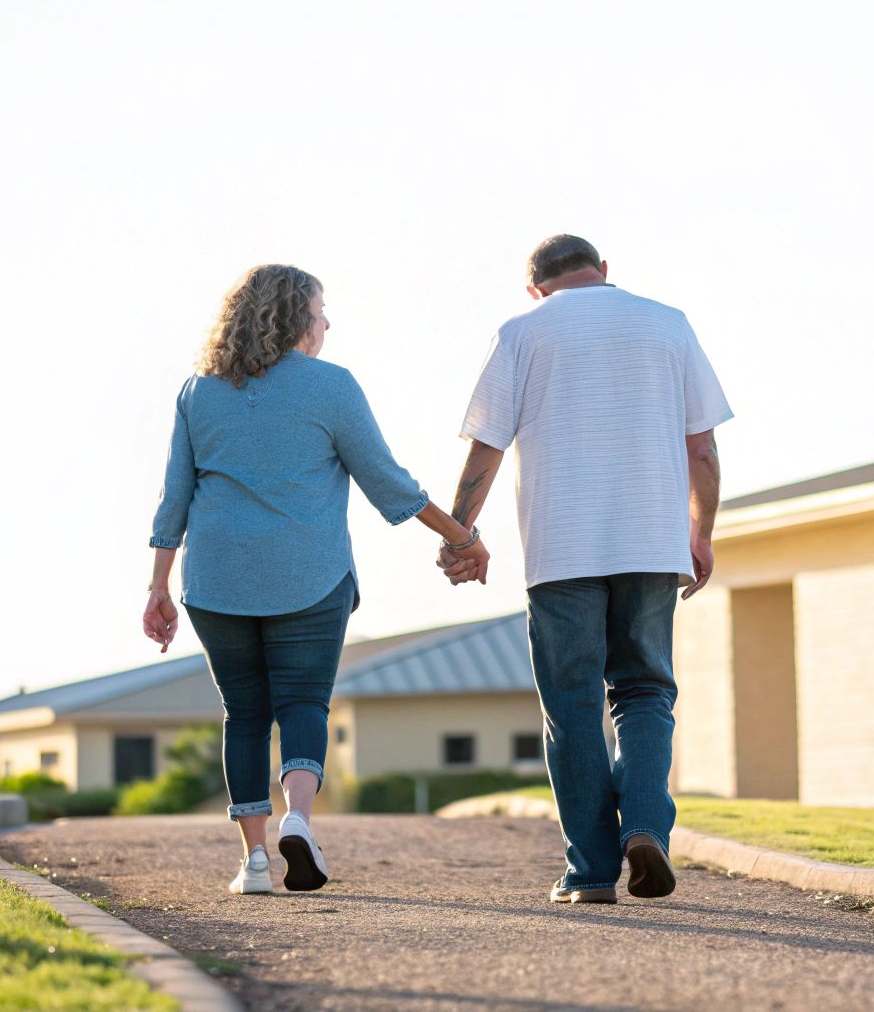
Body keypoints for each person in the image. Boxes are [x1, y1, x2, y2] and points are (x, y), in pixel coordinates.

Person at [143, 264, 489, 896]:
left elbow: (174, 498)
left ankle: (252, 862)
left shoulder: (199, 390)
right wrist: (459, 534)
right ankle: (297, 818)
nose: (327, 322)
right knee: (303, 703)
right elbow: (386, 480)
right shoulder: (331, 386)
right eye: (321, 310)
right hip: (310, 573)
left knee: (243, 714)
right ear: (296, 316)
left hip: (216, 580)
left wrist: (157, 585)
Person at [441, 235, 729, 903]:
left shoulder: (520, 332)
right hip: (653, 545)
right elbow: (704, 450)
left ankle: (592, 873)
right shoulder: (668, 323)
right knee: (645, 694)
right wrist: (701, 532)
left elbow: (487, 448)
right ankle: (647, 826)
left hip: (560, 551)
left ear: (535, 288)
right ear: (604, 273)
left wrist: (462, 534)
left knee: (572, 711)